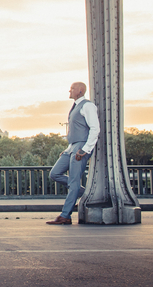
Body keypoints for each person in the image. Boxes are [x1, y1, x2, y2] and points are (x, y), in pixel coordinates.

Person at [46, 81, 100, 225]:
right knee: (54, 174)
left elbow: (95, 128)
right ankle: (88, 194)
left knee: (74, 181)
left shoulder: (88, 106)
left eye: (72, 88)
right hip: (71, 147)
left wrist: (86, 149)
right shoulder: (76, 106)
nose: (69, 91)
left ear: (81, 91)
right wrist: (68, 148)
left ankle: (65, 216)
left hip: (80, 147)